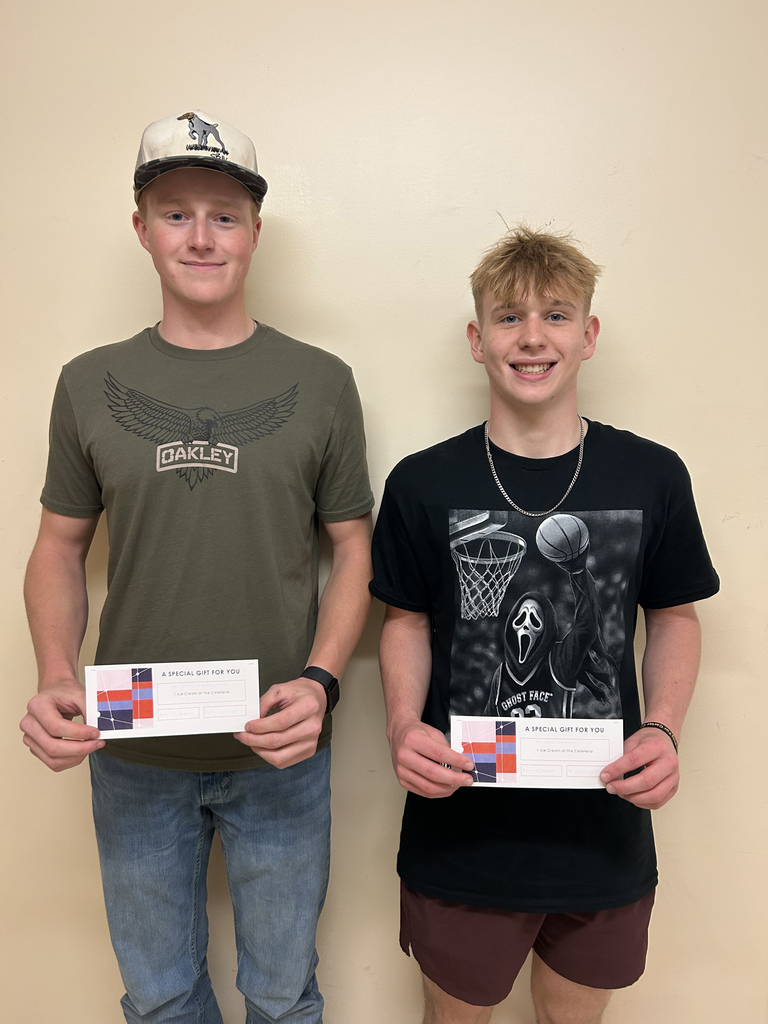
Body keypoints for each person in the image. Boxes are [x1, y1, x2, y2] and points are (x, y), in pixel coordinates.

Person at [20, 109, 374, 1024]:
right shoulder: (87, 382)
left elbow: (353, 547)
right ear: (141, 229)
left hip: (278, 746)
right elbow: (59, 547)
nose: (202, 235)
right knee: (160, 996)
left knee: (284, 994)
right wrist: (57, 675)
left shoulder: (322, 381)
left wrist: (324, 682)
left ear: (255, 231)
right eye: (176, 213)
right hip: (132, 746)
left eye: (224, 214)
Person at [370, 227, 719, 1024]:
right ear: (476, 340)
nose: (532, 337)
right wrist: (398, 725)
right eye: (508, 317)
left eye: (557, 316)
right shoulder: (423, 482)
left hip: (601, 832)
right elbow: (405, 620)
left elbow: (675, 615)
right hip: (461, 838)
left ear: (589, 336)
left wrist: (662, 730)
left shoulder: (652, 474)